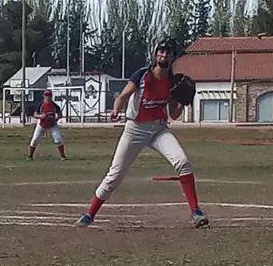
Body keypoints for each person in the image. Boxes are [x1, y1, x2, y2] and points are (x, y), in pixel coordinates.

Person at [78, 38, 208, 229]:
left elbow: (174, 114)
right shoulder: (142, 75)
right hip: (135, 129)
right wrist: (115, 110)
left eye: (168, 52)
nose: (164, 55)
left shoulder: (173, 81)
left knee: (182, 162)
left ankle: (196, 212)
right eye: (161, 51)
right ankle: (90, 214)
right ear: (156, 54)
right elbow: (122, 96)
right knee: (115, 176)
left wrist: (182, 102)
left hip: (159, 130)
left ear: (173, 57)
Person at [28, 88, 66, 160]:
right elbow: (35, 115)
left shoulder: (54, 105)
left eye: (49, 95)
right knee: (35, 139)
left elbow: (60, 114)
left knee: (58, 139)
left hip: (52, 124)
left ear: (51, 96)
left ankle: (63, 156)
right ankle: (30, 156)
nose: (47, 97)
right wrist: (41, 116)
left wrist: (56, 119)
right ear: (43, 96)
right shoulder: (40, 105)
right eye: (46, 95)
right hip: (41, 124)